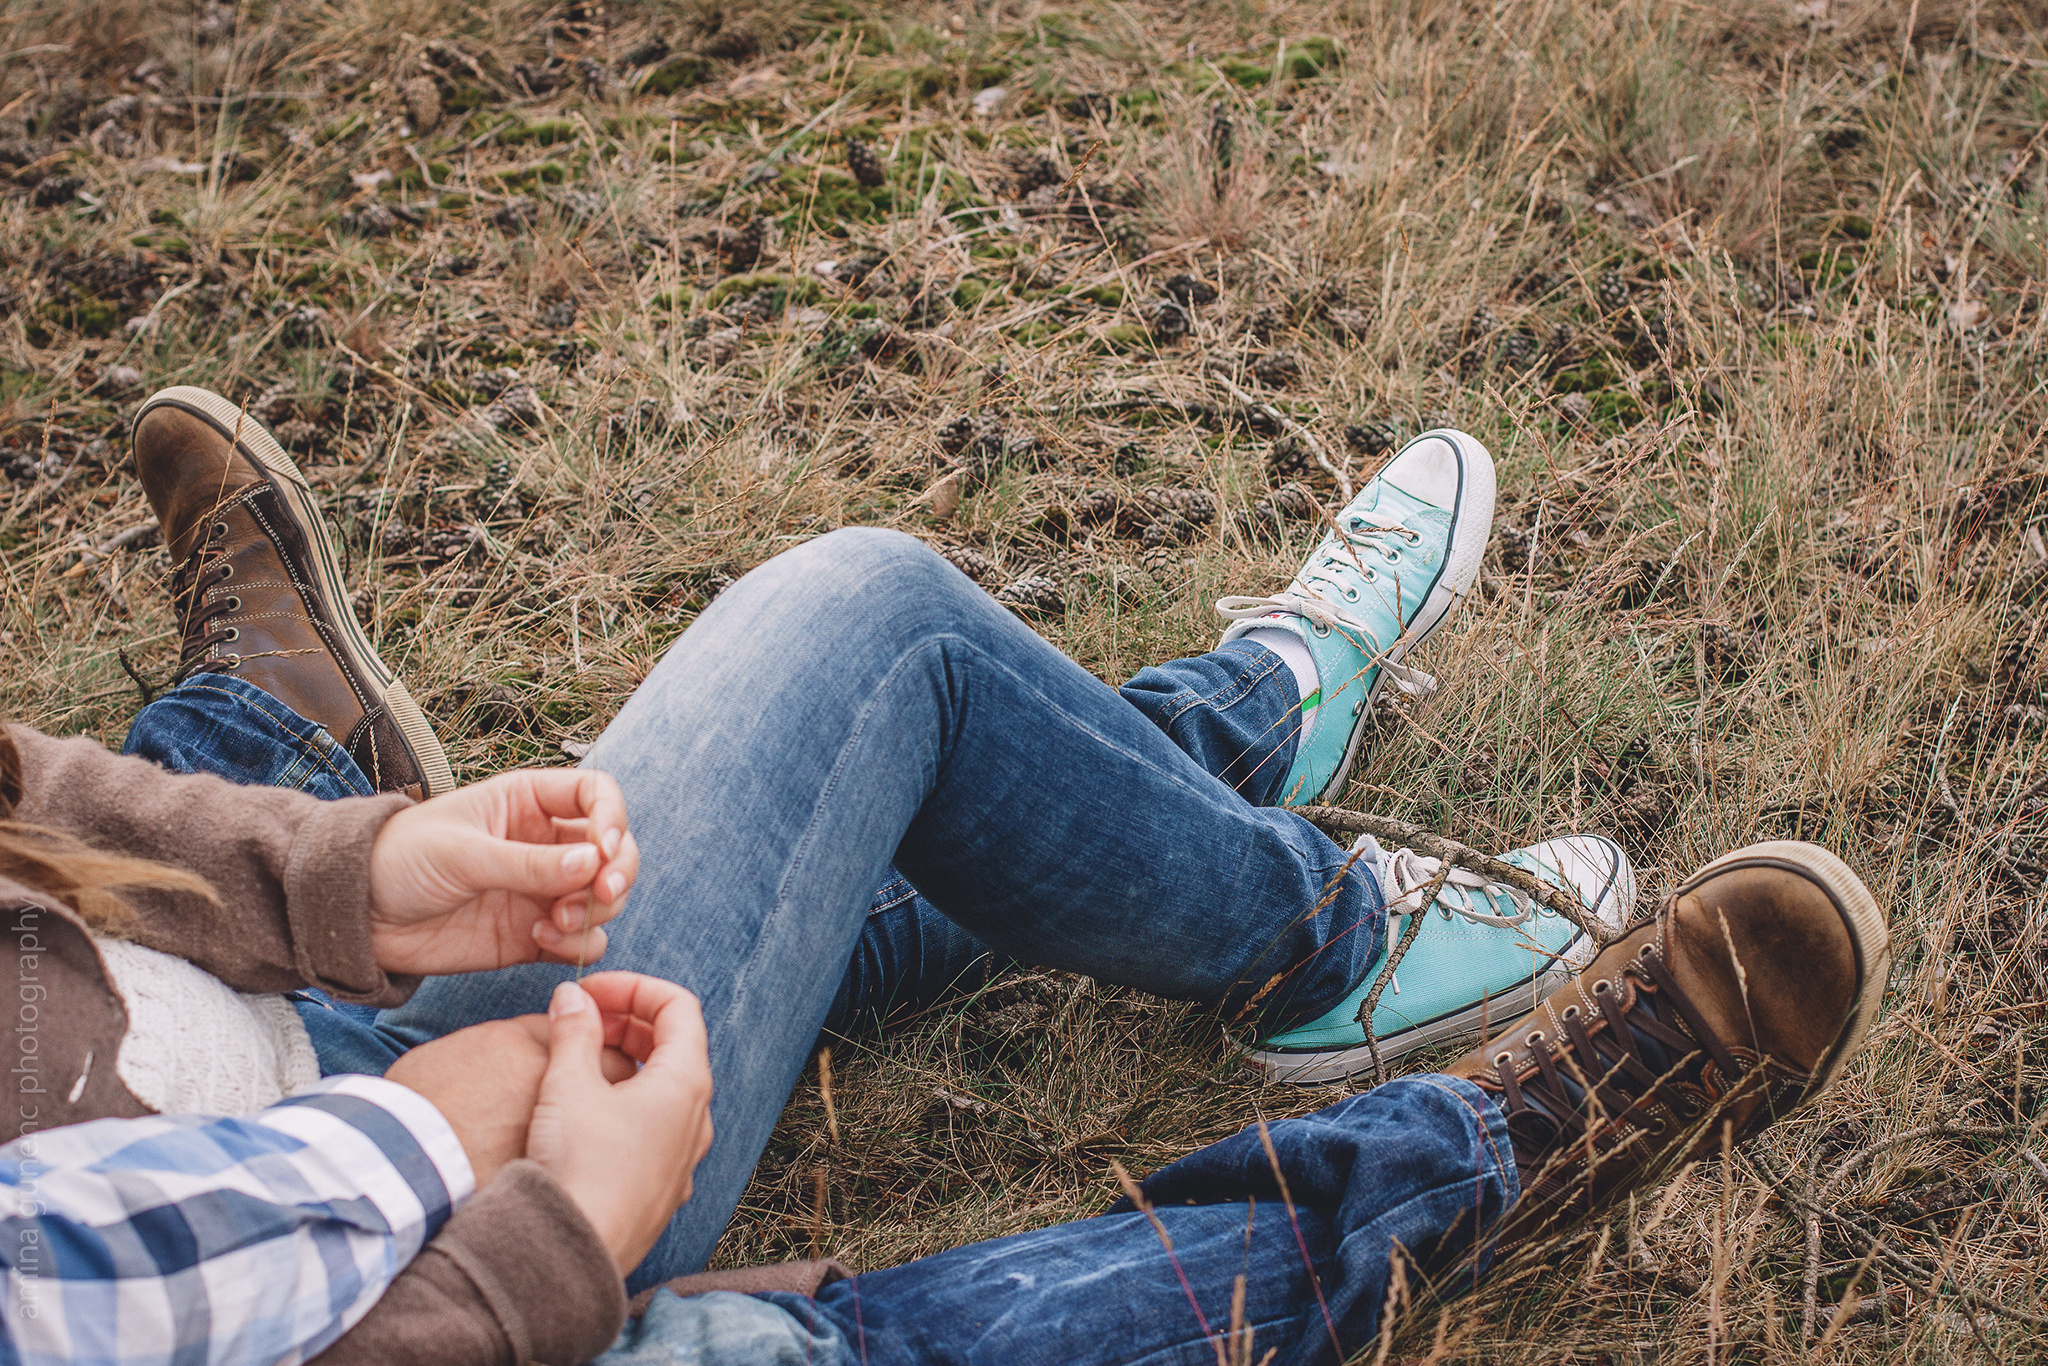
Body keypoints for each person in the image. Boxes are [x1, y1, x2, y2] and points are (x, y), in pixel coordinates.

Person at [0, 386, 1890, 1366]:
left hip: (325, 1035)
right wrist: (549, 1240)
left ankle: (1279, 846)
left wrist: (350, 868)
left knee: (871, 622)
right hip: (422, 1275)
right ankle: (1514, 1150)